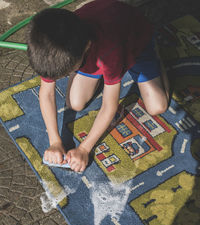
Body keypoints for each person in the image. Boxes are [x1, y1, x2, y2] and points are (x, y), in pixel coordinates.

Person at [27, 0, 169, 173]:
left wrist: (85, 149)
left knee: (157, 106)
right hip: (97, 37)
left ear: (85, 48)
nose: (62, 77)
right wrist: (55, 141)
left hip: (135, 41)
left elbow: (110, 105)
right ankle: (86, 69)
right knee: (75, 103)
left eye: (67, 71)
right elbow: (46, 93)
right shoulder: (47, 47)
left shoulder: (110, 52)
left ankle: (157, 59)